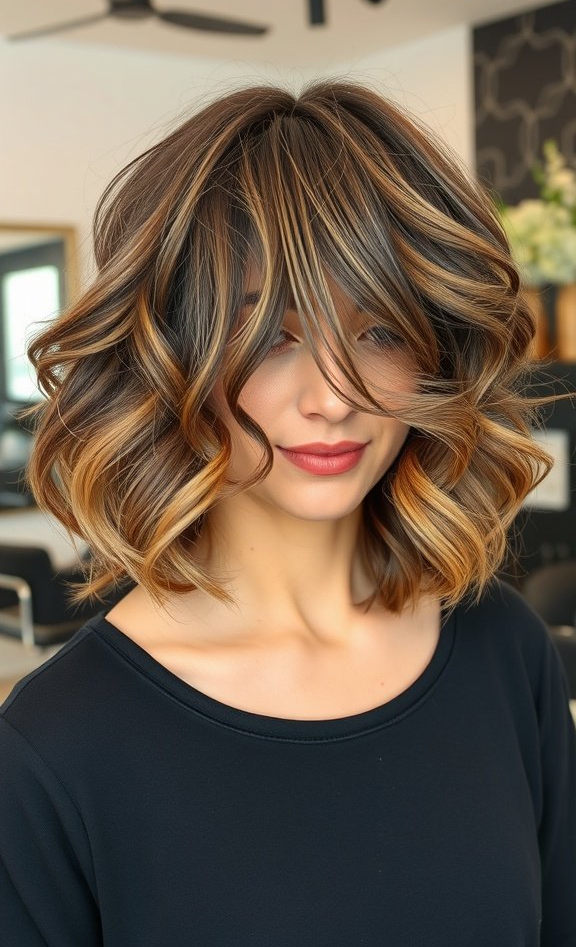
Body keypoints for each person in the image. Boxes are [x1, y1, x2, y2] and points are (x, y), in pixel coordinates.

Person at [1, 79, 575, 946]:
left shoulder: (506, 651)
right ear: (173, 354)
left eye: (379, 331)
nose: (333, 398)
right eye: (272, 333)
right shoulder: (53, 748)